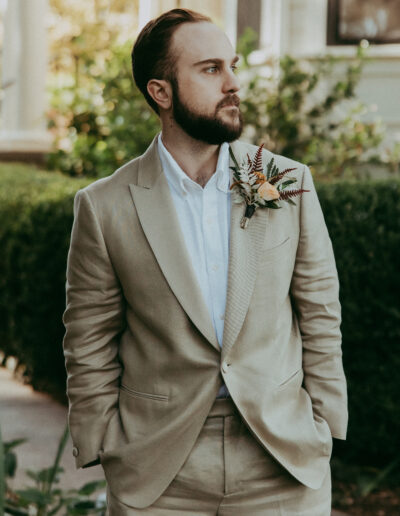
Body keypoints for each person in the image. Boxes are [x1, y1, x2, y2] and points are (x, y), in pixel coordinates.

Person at [62, 8, 348, 515]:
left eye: (232, 66)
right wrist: (105, 442)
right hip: (158, 472)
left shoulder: (289, 183)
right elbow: (88, 339)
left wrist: (323, 424)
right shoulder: (104, 206)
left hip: (282, 460)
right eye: (211, 69)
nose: (233, 83)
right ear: (161, 92)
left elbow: (320, 311)